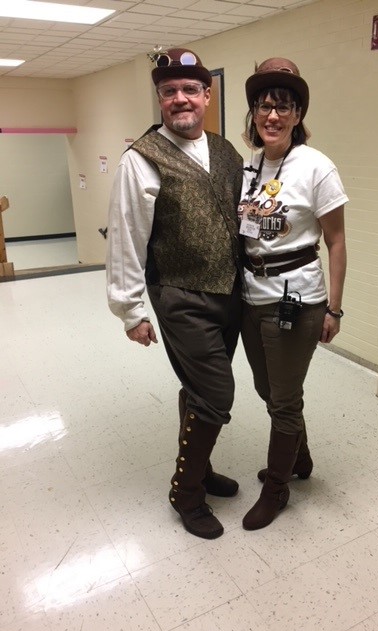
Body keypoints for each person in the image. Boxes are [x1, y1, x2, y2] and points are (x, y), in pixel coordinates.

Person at [106, 48, 244, 540]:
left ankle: (202, 471)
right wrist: (130, 310)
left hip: (231, 294)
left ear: (207, 95)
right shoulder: (140, 159)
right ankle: (185, 492)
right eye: (169, 92)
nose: (180, 100)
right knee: (217, 393)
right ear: (160, 99)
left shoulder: (227, 152)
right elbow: (126, 236)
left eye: (190, 90)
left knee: (197, 389)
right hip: (180, 295)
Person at [237, 58, 348, 530]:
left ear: (298, 114)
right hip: (250, 295)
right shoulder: (250, 167)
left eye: (284, 107)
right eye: (265, 106)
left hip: (296, 299)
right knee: (267, 389)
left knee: (284, 399)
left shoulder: (316, 167)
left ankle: (276, 487)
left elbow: (337, 241)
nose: (273, 116)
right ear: (255, 113)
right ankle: (299, 459)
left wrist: (335, 309)